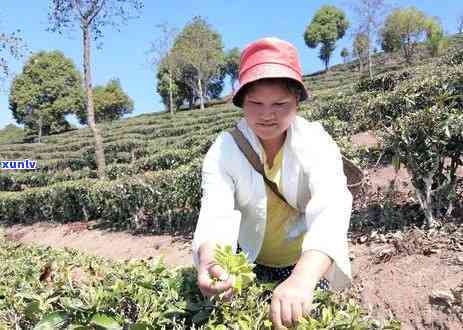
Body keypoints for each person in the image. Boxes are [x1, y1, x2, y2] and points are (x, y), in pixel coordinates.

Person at [192, 37, 353, 329]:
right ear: (241, 102)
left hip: (306, 259)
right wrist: (211, 260)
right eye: (256, 103)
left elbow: (332, 206)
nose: (267, 114)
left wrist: (303, 277)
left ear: (297, 103)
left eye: (280, 103)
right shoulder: (224, 149)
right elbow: (216, 211)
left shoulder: (316, 141)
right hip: (251, 261)